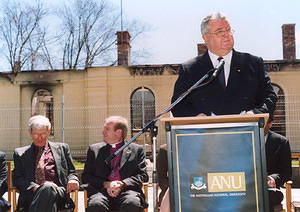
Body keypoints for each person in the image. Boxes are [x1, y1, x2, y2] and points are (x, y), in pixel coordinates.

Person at [171, 12, 277, 117]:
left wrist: (254, 114)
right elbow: (178, 105)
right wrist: (196, 117)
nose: (226, 35)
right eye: (219, 31)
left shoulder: (252, 64)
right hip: (205, 132)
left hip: (246, 131)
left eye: (228, 30)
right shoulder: (190, 69)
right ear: (205, 38)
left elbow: (269, 97)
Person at [12, 115, 79, 212]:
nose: (40, 138)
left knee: (49, 187)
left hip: (59, 194)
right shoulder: (20, 153)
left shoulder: (62, 149)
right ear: (30, 133)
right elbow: (17, 178)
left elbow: (72, 172)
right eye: (36, 134)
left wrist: (73, 179)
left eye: (43, 133)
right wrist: (35, 187)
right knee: (47, 190)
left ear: (49, 131)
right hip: (32, 196)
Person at [82, 116, 149, 212]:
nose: (103, 132)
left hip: (128, 191)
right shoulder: (94, 150)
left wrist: (122, 184)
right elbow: (86, 176)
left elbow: (143, 176)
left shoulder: (136, 150)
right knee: (96, 204)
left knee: (131, 203)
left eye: (107, 129)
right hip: (101, 192)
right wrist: (106, 184)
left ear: (118, 132)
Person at [265, 115, 292, 211]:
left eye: (262, 122)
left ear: (271, 123)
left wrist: (274, 178)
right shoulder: (243, 139)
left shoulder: (281, 142)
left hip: (269, 191)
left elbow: (287, 173)